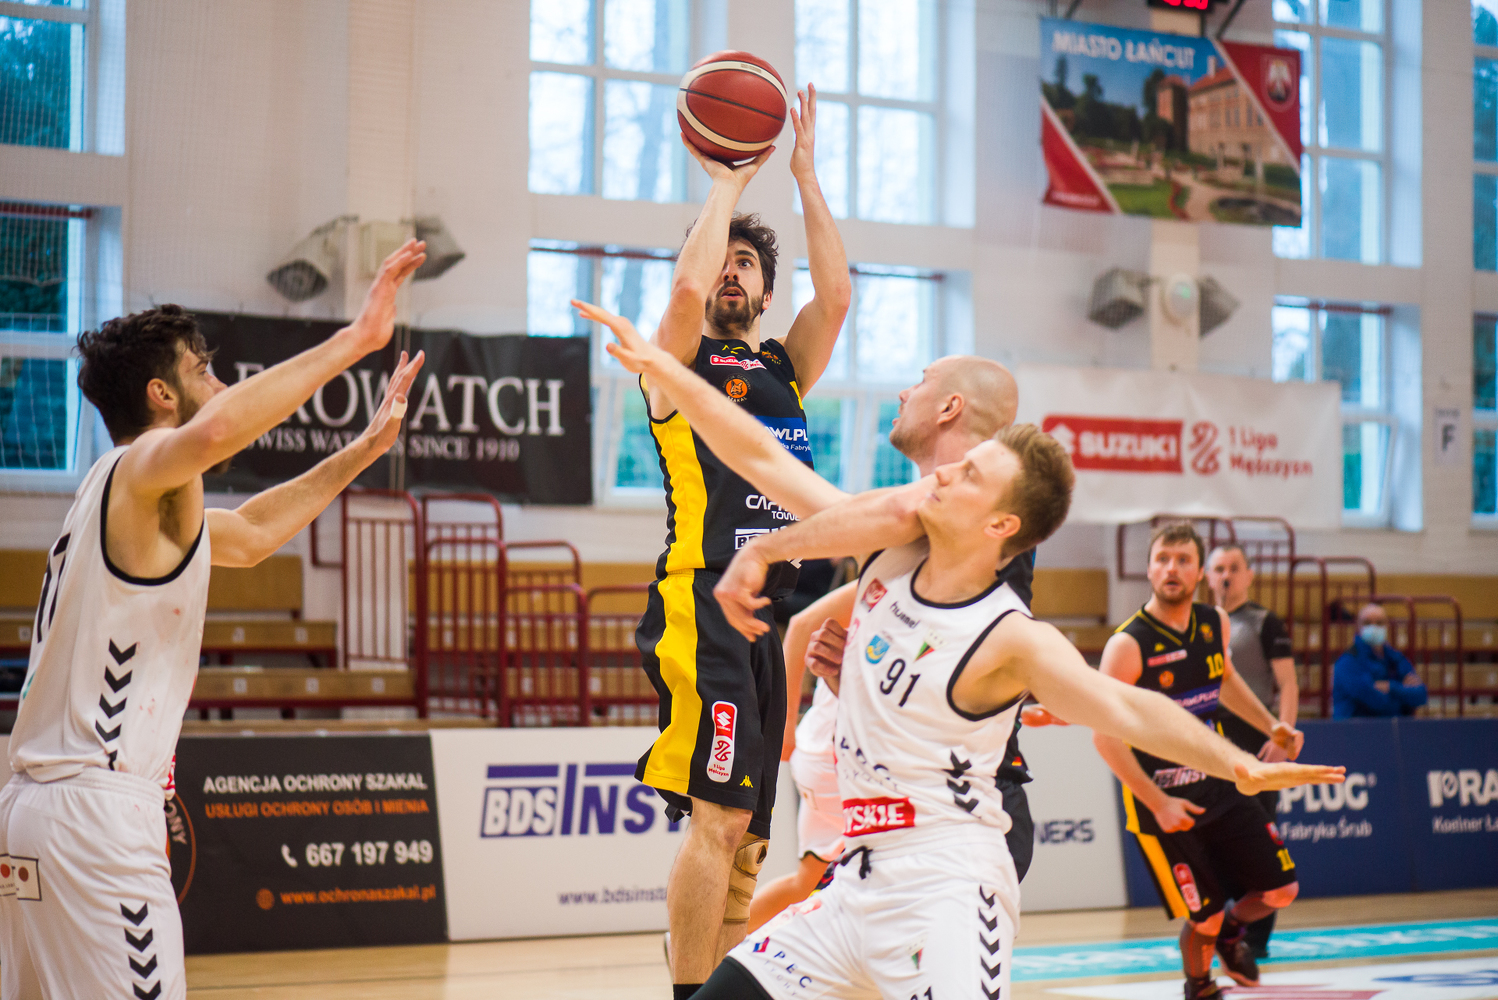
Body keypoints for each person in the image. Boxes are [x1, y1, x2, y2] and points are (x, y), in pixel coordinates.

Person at [689, 428, 1344, 1000]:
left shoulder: (1012, 634)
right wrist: (662, 370)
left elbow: (1124, 705)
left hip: (946, 882)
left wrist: (1237, 762)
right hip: (858, 875)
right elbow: (765, 460)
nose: (943, 474)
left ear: (1001, 524)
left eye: (970, 472)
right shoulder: (889, 551)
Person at [0, 241, 428, 999]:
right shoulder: (140, 469)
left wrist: (363, 450)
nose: (222, 386)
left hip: (35, 813)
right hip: (94, 814)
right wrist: (356, 340)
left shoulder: (127, 502)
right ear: (161, 394)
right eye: (204, 371)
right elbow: (217, 433)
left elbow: (255, 534)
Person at [573, 303, 1040, 939]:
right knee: (764, 966)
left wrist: (763, 552)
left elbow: (794, 475)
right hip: (887, 823)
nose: (903, 391)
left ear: (951, 407)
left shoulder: (966, 519)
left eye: (921, 379)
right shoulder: (903, 518)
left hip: (959, 825)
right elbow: (762, 458)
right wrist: (666, 370)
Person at [622, 85, 852, 996]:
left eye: (747, 262)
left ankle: (714, 984)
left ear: (765, 290)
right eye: (721, 257)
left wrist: (804, 175)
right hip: (704, 598)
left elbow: (836, 296)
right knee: (716, 821)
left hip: (775, 612)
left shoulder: (782, 369)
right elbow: (685, 288)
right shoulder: (676, 365)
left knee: (752, 839)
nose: (730, 271)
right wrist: (725, 182)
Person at [1096, 523, 1310, 1000]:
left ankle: (1233, 932)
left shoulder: (1215, 623)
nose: (1171, 568)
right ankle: (1199, 986)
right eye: (1162, 559)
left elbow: (1225, 678)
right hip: (1162, 799)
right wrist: (1158, 802)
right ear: (1149, 569)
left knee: (1282, 891)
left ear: (1199, 573)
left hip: (1216, 782)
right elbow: (1104, 738)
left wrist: (1272, 725)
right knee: (1204, 916)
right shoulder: (1128, 644)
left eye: (1183, 560)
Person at [1205, 542, 1299, 957]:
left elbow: (1289, 684)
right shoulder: (1200, 623)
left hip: (1256, 743)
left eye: (1234, 567)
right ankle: (1218, 929)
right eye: (1219, 568)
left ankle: (1254, 938)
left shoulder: (1264, 621)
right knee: (1214, 839)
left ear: (1249, 575)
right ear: (1208, 576)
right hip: (1210, 743)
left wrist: (1282, 736)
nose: (1226, 575)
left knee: (1260, 837)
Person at [1331, 603, 1428, 719]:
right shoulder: (1347, 662)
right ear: (1358, 626)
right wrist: (1404, 695)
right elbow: (1376, 701)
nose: (1374, 627)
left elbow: (1421, 695)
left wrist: (1390, 687)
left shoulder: (1395, 657)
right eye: (1367, 623)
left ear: (1387, 625)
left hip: (1393, 727)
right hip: (1354, 728)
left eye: (1379, 623)